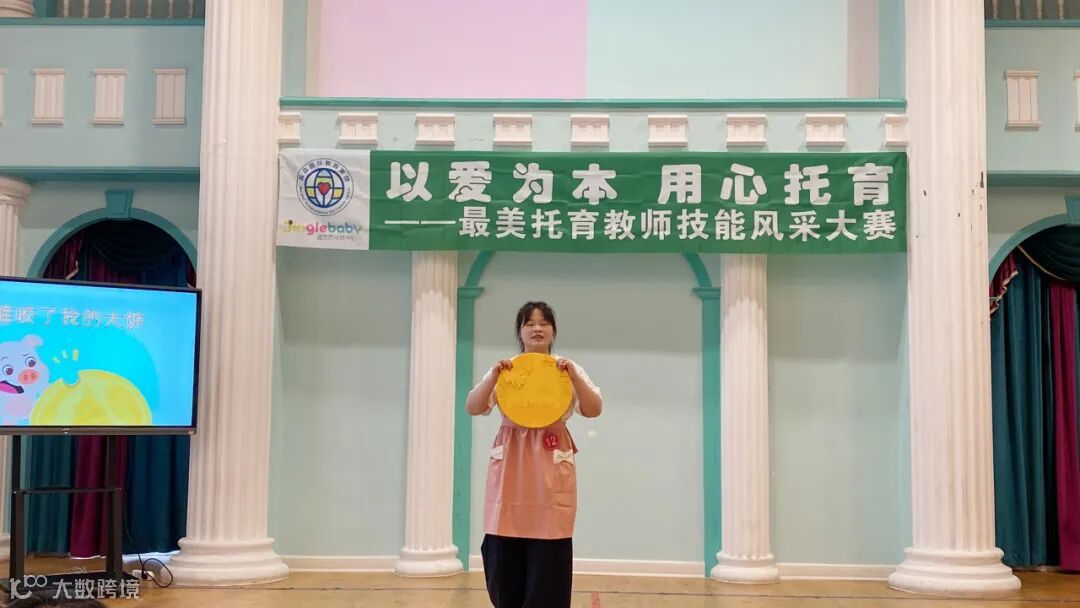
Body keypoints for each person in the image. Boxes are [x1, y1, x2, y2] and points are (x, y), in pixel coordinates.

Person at [466, 301, 602, 608]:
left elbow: (593, 408)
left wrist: (574, 376)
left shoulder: (566, 368)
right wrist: (493, 376)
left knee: (550, 536)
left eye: (544, 323)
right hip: (512, 458)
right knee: (504, 532)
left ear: (553, 331)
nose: (537, 328)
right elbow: (473, 406)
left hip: (551, 456)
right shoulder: (507, 369)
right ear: (520, 331)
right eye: (529, 323)